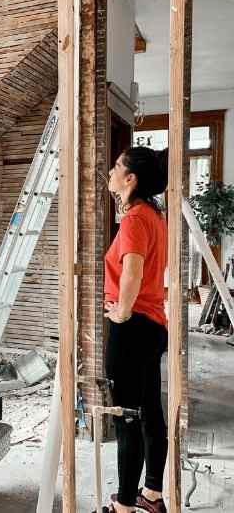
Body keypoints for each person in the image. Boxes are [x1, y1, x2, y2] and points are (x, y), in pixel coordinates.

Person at [101, 146, 169, 513]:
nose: (110, 172)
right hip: (155, 326)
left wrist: (122, 313)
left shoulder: (134, 219)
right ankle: (152, 495)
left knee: (127, 419)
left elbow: (133, 271)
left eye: (116, 167)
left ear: (131, 178)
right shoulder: (155, 215)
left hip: (134, 329)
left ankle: (124, 505)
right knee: (149, 412)